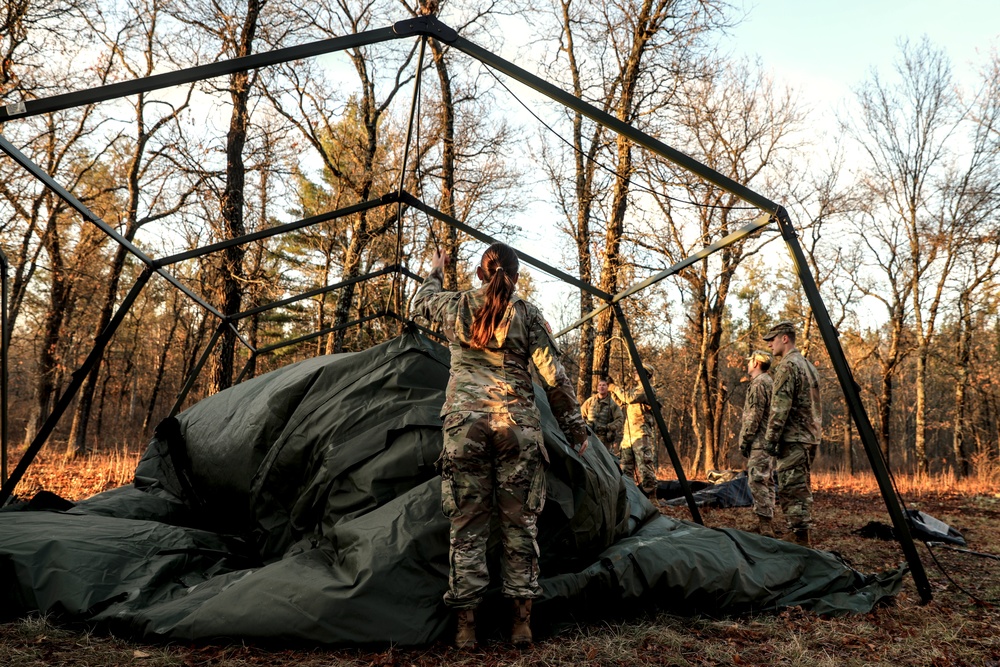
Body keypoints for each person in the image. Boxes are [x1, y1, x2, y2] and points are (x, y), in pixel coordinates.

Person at [411, 242, 588, 649]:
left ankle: (466, 629)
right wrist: (575, 430)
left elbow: (419, 303)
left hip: (464, 427)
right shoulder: (526, 314)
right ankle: (521, 625)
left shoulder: (455, 307)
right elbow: (554, 378)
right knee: (520, 525)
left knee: (466, 527)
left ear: (478, 273)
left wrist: (436, 270)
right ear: (516, 275)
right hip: (516, 428)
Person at [762, 320, 822, 547]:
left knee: (791, 488)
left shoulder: (788, 366)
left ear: (784, 338)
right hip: (809, 435)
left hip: (794, 437)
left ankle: (799, 537)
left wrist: (770, 439)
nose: (769, 344)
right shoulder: (808, 365)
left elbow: (780, 407)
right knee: (800, 485)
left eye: (772, 339)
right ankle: (801, 533)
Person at [738, 350, 776, 537]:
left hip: (760, 441)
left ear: (755, 363)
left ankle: (765, 525)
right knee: (767, 480)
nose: (747, 364)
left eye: (749, 361)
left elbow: (754, 416)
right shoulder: (770, 381)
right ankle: (767, 520)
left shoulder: (760, 383)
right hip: (768, 440)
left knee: (757, 480)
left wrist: (745, 440)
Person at [609, 366, 659, 497]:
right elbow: (622, 401)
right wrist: (612, 389)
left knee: (644, 465)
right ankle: (629, 495)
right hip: (629, 434)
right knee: (626, 466)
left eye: (638, 371)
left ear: (646, 374)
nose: (634, 373)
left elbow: (629, 398)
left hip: (641, 433)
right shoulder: (636, 389)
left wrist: (614, 387)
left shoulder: (645, 389)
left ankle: (650, 497)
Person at [580, 377, 624, 453]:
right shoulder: (590, 401)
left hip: (604, 440)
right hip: (589, 437)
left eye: (604, 385)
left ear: (607, 388)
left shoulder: (612, 404)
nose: (601, 387)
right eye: (599, 385)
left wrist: (609, 427)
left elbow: (620, 419)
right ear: (597, 388)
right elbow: (581, 414)